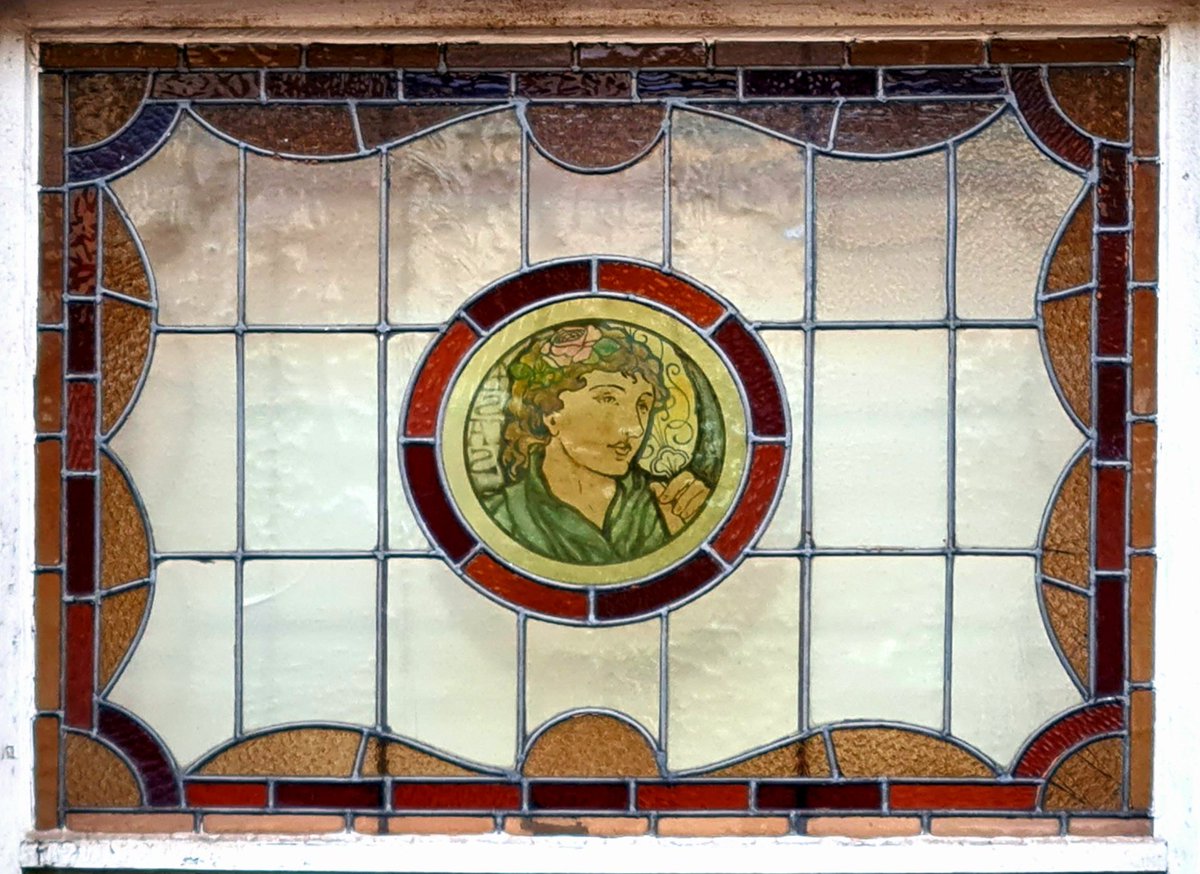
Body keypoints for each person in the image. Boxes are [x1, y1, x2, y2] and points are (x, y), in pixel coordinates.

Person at [482, 321, 711, 565]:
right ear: (549, 413)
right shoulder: (500, 517)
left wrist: (690, 539)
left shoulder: (666, 508)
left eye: (643, 405)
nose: (635, 427)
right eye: (608, 398)